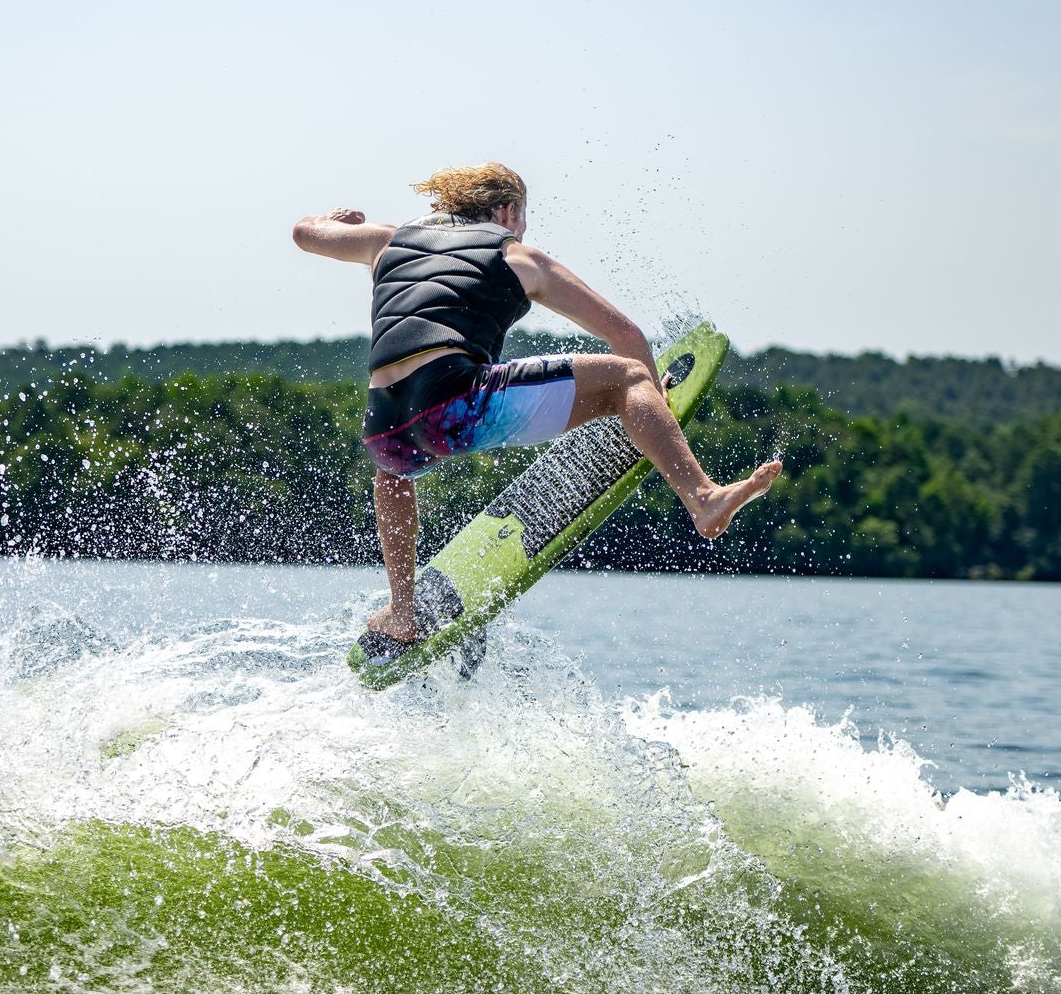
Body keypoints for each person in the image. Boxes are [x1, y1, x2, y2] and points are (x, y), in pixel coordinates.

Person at [294, 162, 782, 646]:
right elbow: (625, 334)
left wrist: (337, 220)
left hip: (384, 429)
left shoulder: (389, 239)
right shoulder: (516, 255)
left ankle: (402, 610)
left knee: (395, 474)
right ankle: (703, 499)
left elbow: (304, 232)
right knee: (628, 376)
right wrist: (652, 396)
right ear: (507, 211)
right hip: (455, 405)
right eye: (524, 216)